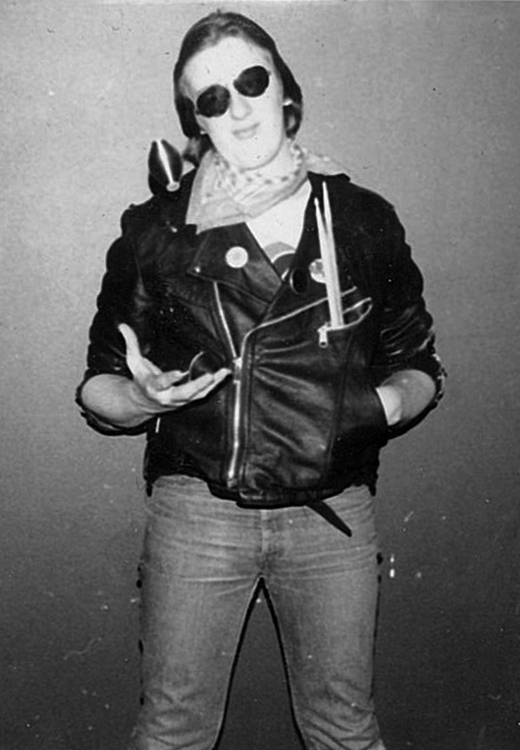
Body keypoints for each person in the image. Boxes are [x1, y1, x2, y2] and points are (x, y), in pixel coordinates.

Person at [77, 11, 444, 750]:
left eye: (251, 81)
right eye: (212, 98)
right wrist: (141, 399)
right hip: (199, 511)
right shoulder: (157, 231)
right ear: (196, 122)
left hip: (331, 509)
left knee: (344, 728)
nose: (238, 108)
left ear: (285, 91)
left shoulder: (360, 218)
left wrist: (376, 406)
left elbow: (421, 364)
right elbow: (97, 386)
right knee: (173, 730)